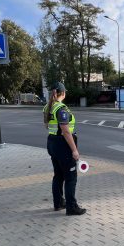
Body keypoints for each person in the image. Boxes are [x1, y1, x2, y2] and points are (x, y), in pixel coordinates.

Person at [44, 82, 86, 216]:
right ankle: (71, 207)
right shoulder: (61, 109)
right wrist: (74, 150)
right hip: (63, 145)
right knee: (70, 177)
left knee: (58, 175)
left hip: (52, 142)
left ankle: (58, 203)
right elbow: (66, 131)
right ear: (62, 93)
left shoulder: (47, 107)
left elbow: (47, 125)